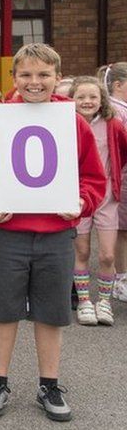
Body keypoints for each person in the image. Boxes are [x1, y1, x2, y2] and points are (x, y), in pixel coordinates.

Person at [0, 43, 105, 422]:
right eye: (27, 75)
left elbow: (94, 177)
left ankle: (49, 383)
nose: (35, 82)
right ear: (13, 78)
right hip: (8, 232)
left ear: (57, 78)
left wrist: (82, 202)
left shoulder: (73, 121)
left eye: (43, 75)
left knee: (51, 313)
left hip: (56, 234)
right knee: (3, 310)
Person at [68, 76, 127, 326]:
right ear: (71, 99)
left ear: (102, 98)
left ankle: (103, 302)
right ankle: (84, 302)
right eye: (81, 96)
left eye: (93, 96)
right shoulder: (65, 123)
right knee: (81, 250)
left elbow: (123, 150)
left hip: (106, 197)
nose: (87, 101)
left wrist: (113, 175)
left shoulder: (112, 123)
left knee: (106, 255)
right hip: (77, 195)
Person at [99, 62, 127, 302]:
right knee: (121, 231)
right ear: (118, 85)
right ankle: (120, 278)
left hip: (120, 177)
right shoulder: (117, 111)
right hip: (121, 178)